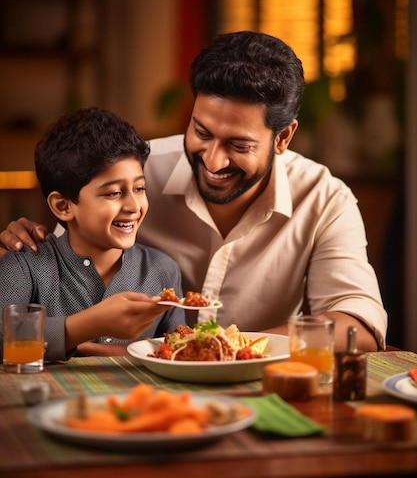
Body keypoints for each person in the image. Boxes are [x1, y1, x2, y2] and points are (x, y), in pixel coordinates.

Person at [0, 31, 387, 353]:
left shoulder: (324, 199)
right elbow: (64, 255)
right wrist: (24, 243)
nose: (214, 161)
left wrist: (224, 348)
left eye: (239, 145)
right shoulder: (137, 169)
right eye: (201, 132)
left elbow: (359, 325)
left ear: (283, 137)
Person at [0, 107, 184, 362]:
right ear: (63, 206)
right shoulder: (23, 262)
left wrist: (88, 348)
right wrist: (88, 325)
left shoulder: (163, 270)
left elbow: (179, 351)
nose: (134, 206)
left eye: (139, 188)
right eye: (113, 193)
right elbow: (3, 337)